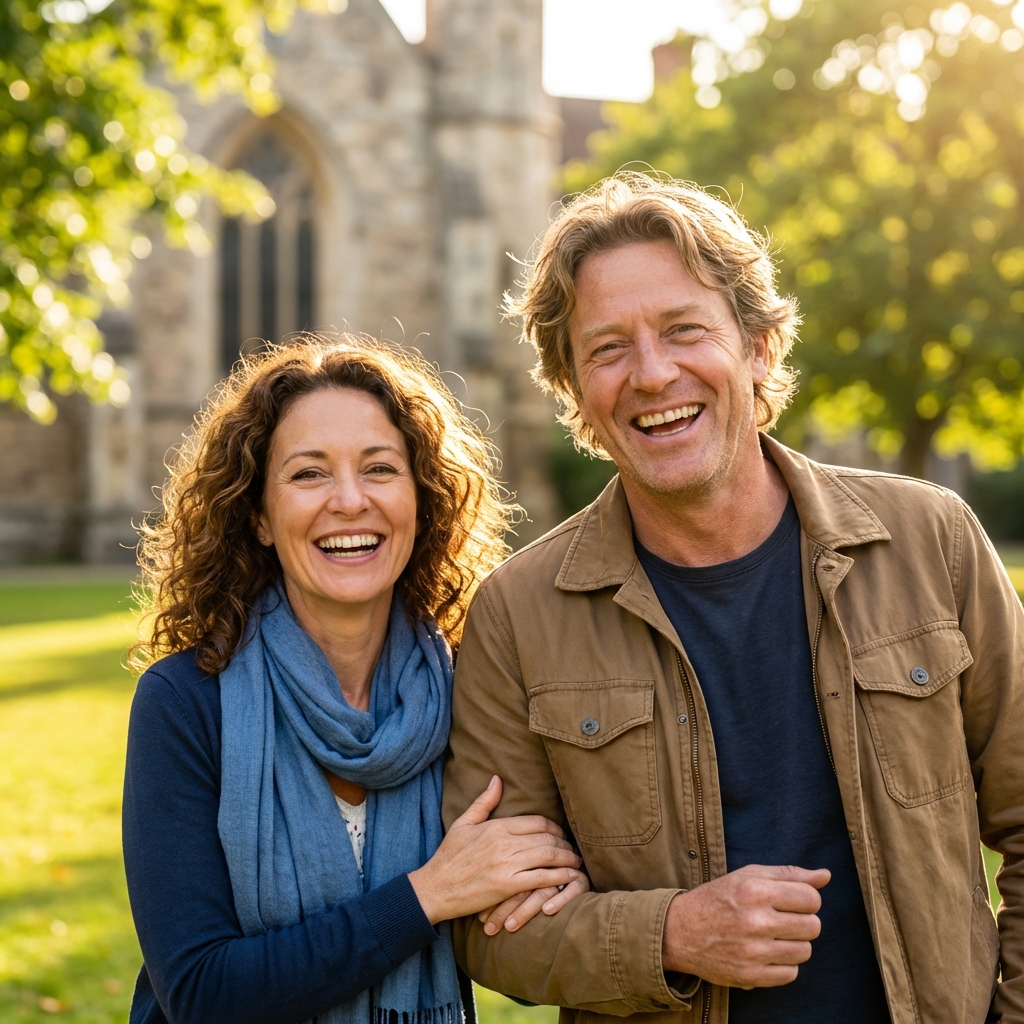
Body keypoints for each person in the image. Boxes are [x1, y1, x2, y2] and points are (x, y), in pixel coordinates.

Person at [442, 172, 1024, 1024]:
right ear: (573, 389)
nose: (651, 374)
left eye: (684, 330)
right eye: (607, 349)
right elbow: (490, 930)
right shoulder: (517, 615)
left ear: (757, 347)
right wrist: (670, 934)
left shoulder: (931, 541)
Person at [122, 337, 589, 1024]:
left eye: (379, 469)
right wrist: (427, 896)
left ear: (421, 500)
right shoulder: (187, 701)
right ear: (258, 515)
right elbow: (201, 992)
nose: (349, 501)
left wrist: (541, 887)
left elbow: (517, 957)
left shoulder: (469, 693)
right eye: (309, 475)